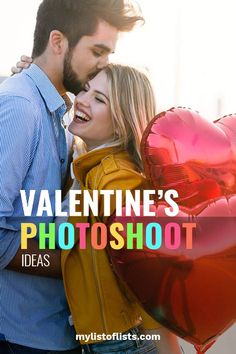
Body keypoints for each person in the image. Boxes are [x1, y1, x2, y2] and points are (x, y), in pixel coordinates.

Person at [0, 1, 143, 353]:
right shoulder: (21, 107)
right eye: (98, 51)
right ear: (58, 41)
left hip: (61, 331)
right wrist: (83, 263)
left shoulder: (58, 118)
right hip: (23, 337)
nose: (104, 63)